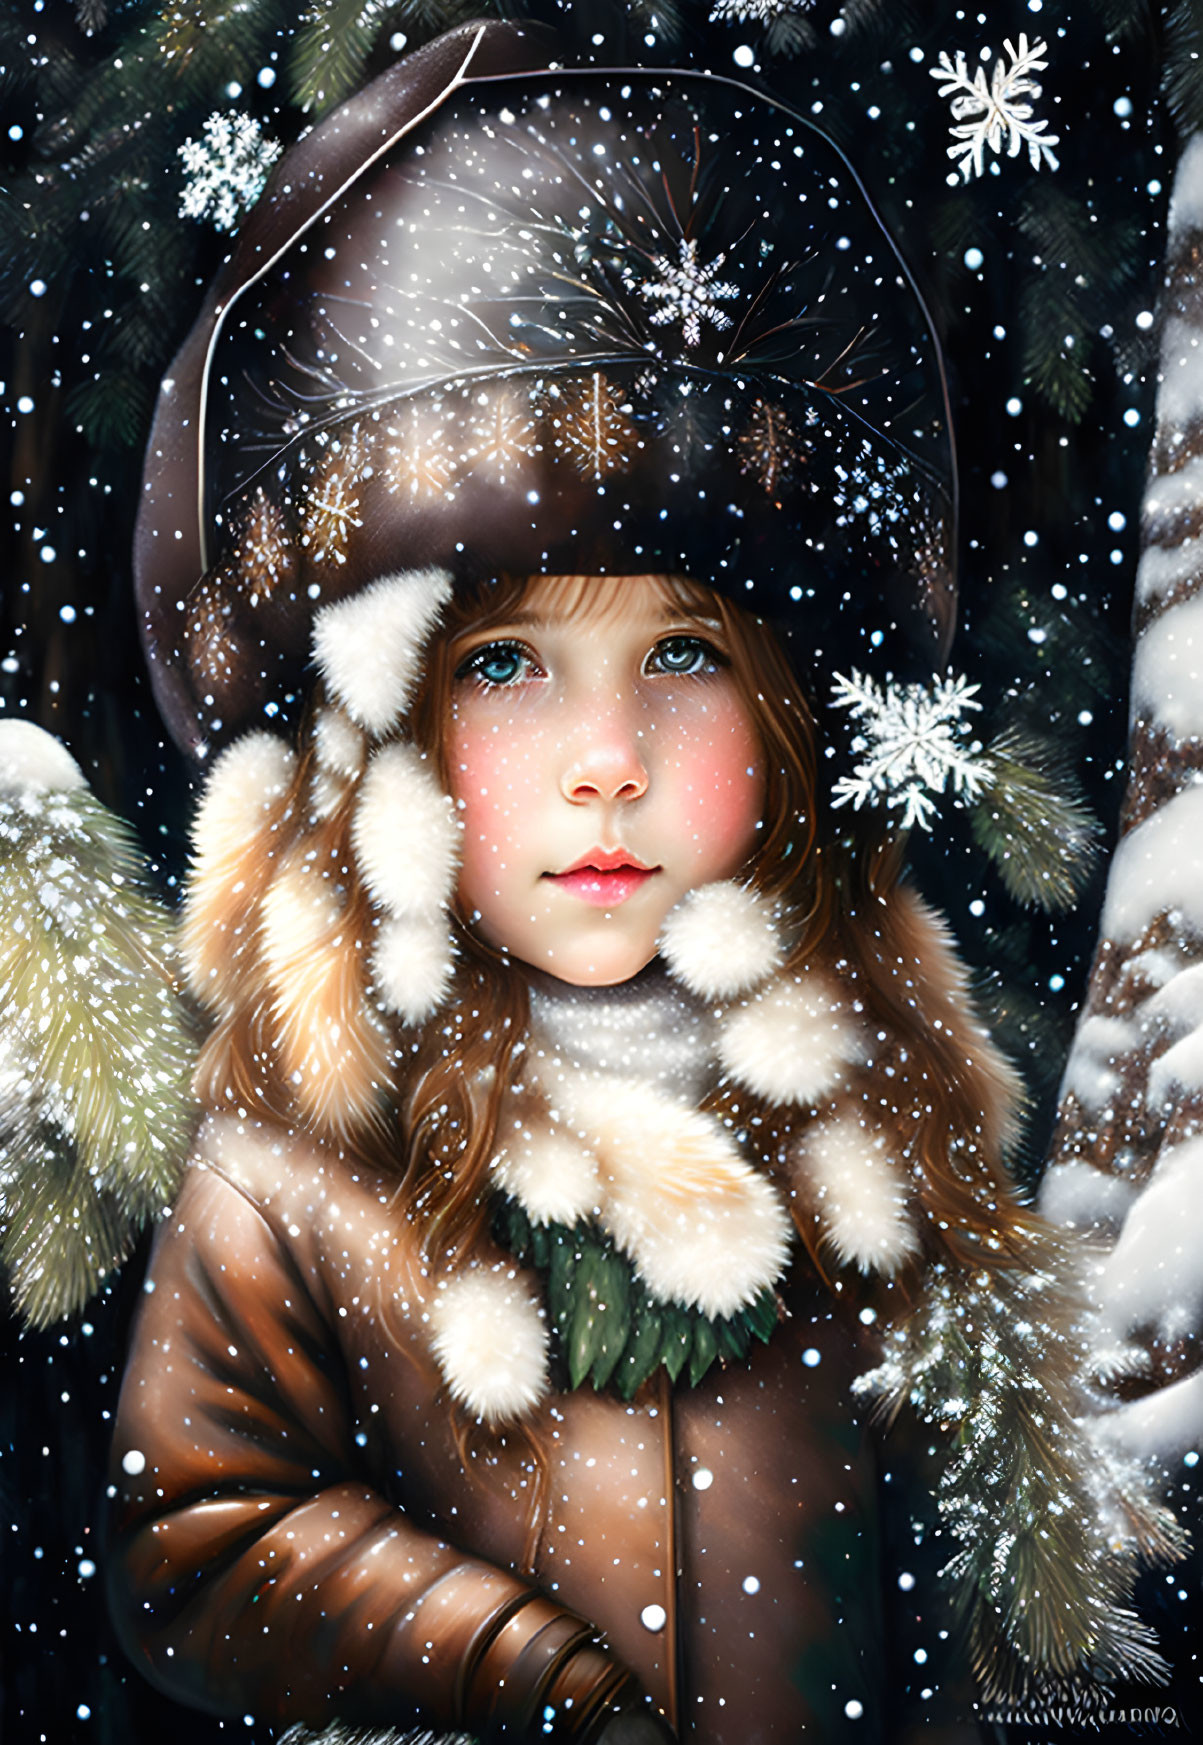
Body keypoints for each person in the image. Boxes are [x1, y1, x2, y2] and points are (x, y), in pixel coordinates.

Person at [105, 21, 1175, 1742]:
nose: (609, 760)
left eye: (681, 655)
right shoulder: (301, 1156)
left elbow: (972, 1578)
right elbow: (195, 1533)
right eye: (512, 667)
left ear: (784, 729)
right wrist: (507, 1664)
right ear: (383, 736)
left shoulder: (870, 1126)